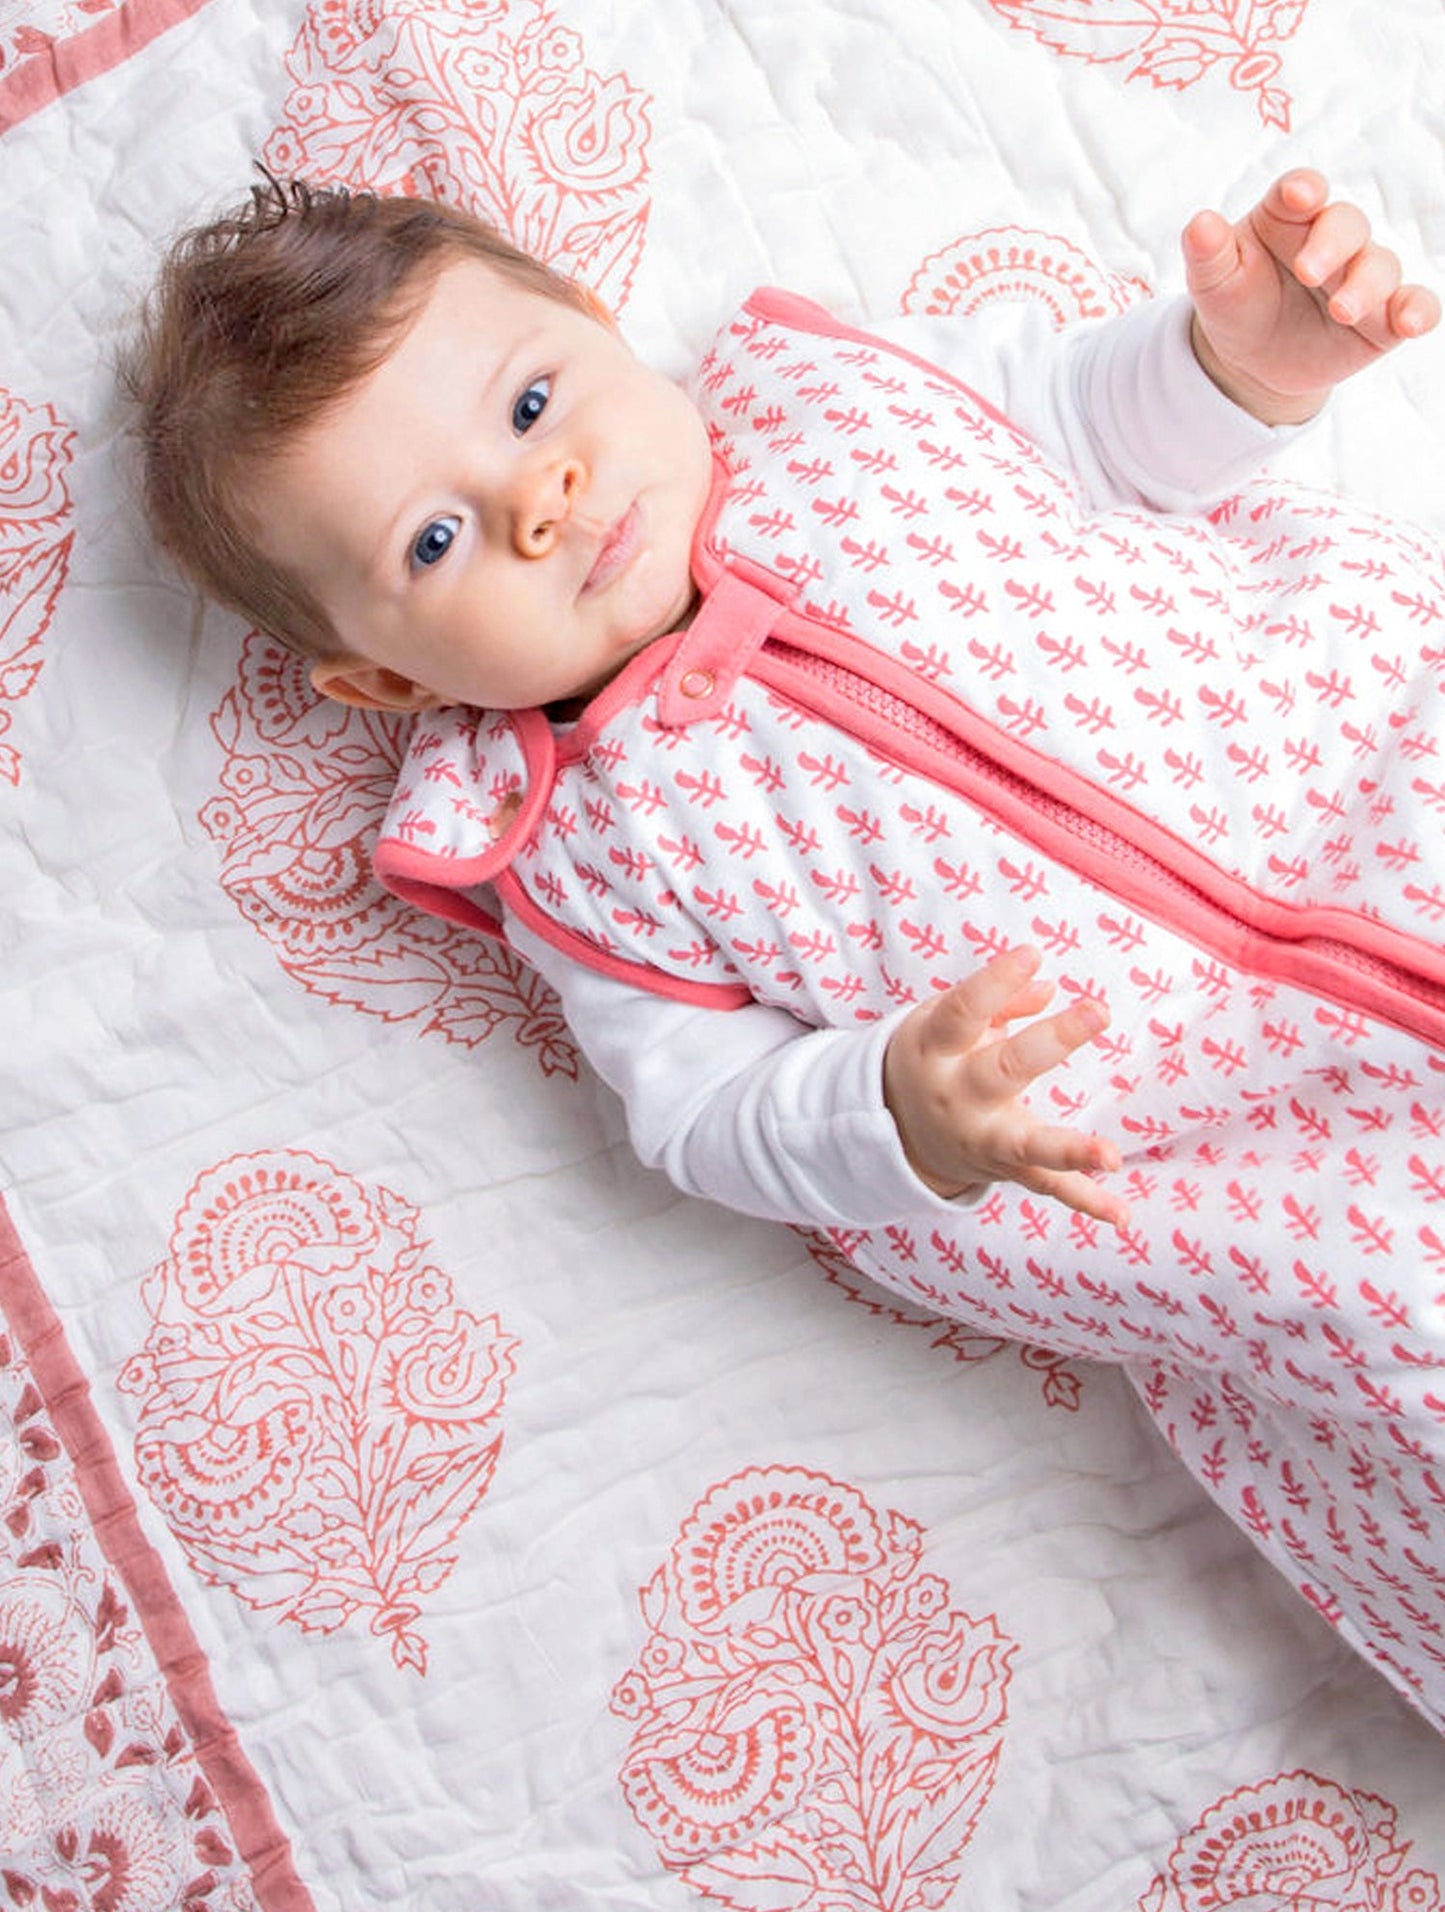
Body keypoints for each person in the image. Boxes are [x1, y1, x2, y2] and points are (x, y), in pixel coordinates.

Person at [129, 170, 1445, 1730]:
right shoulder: (570, 846)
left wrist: (1248, 367)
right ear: (383, 685)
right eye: (433, 538)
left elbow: (1103, 429)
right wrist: (891, 1111)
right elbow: (700, 1109)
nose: (537, 498)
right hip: (1247, 1174)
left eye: (533, 401)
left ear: (598, 322)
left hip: (1369, 767)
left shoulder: (837, 397)